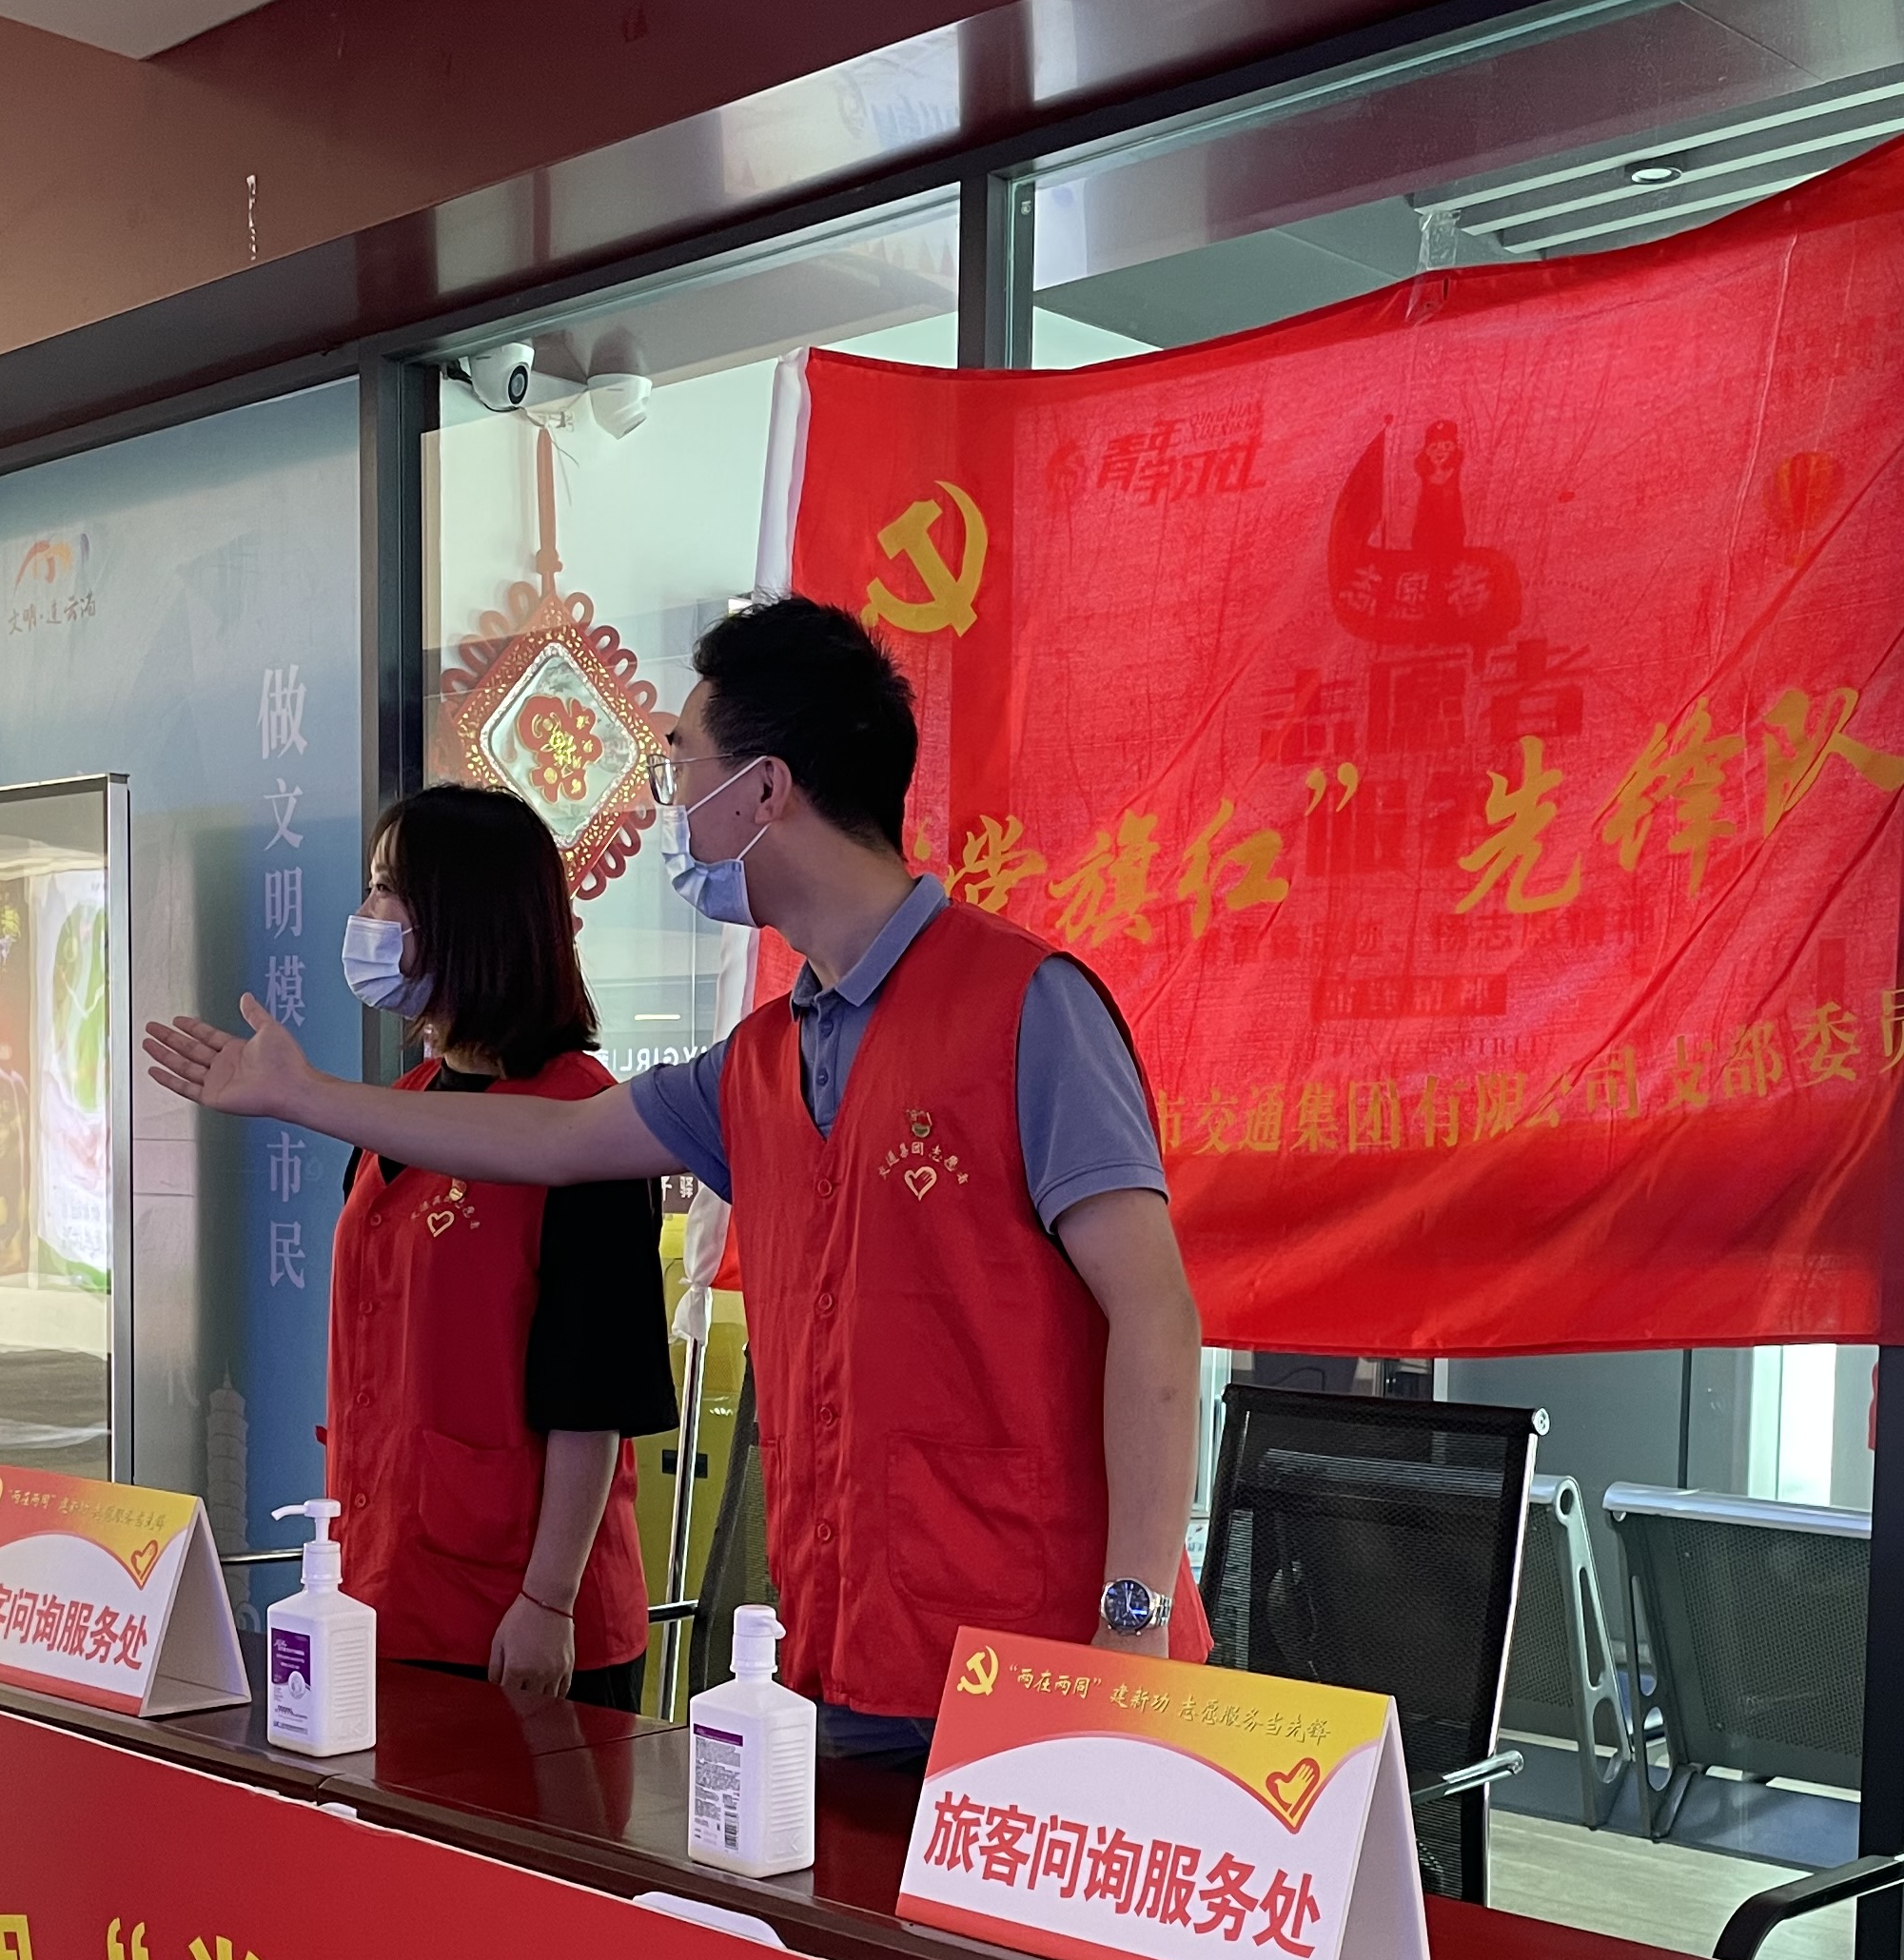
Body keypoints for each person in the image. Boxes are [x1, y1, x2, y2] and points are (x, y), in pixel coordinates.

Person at [149, 595, 1207, 1766]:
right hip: (846, 1652)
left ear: (764, 789)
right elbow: (553, 1142)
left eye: (682, 767)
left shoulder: (1027, 1006)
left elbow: (1155, 1314)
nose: (672, 808)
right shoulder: (762, 1057)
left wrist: (1133, 1622)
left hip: (1048, 1661)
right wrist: (303, 1098)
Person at [335, 785, 675, 1710]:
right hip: (387, 1583)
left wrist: (549, 1598)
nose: (366, 915)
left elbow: (594, 1397)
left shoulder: (586, 1123)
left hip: (517, 1612)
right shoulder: (398, 1108)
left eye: (388, 890)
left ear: (466, 918)